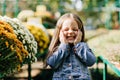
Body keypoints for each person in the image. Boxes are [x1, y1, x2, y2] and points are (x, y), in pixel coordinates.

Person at [45, 13, 96, 80]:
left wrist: (78, 45)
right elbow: (52, 64)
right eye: (66, 29)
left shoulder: (83, 47)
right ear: (59, 32)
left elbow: (91, 61)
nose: (70, 32)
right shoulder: (57, 48)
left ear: (80, 32)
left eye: (74, 29)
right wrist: (64, 46)